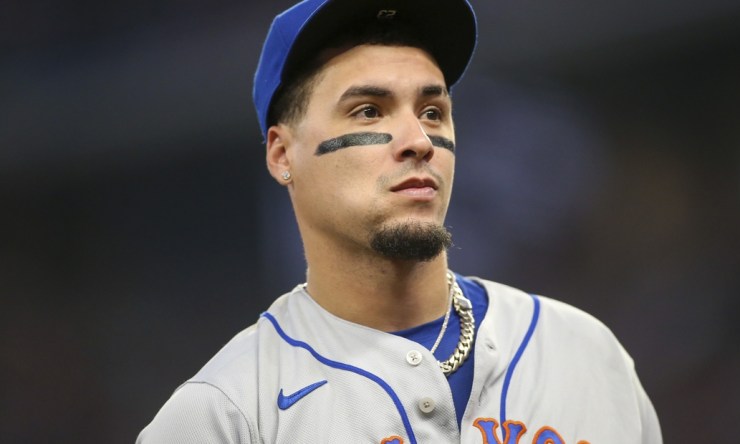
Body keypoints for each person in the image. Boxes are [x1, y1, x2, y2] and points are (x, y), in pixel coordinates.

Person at [137, 0, 662, 442]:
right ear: (282, 155)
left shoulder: (586, 355)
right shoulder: (225, 415)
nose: (418, 140)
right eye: (369, 110)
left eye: (433, 112)